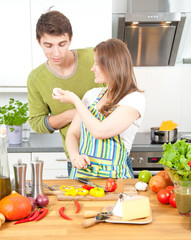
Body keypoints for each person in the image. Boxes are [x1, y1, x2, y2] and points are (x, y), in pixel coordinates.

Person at [52, 38, 145, 179]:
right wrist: (75, 156)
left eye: (96, 63)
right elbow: (73, 134)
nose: (92, 68)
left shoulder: (134, 99)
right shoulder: (91, 95)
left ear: (111, 66)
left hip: (114, 181)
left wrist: (76, 100)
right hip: (82, 177)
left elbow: (99, 131)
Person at [27, 10, 105, 174]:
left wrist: (83, 111)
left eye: (62, 44)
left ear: (71, 39)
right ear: (38, 42)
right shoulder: (36, 78)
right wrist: (72, 114)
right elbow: (37, 123)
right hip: (76, 159)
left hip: (110, 156)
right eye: (48, 45)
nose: (56, 53)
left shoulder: (93, 57)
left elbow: (120, 93)